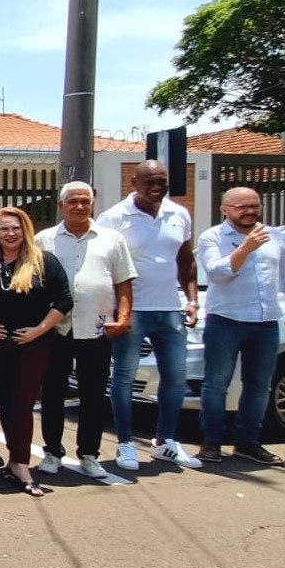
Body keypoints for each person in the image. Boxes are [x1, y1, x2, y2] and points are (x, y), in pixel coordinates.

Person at [96, 160, 203, 470]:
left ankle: (165, 441)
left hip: (170, 308)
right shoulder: (114, 217)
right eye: (149, 182)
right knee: (124, 378)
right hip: (132, 311)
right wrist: (115, 311)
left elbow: (186, 261)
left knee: (175, 377)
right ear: (134, 182)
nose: (156, 187)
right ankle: (125, 444)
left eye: (161, 181)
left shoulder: (179, 214)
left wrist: (192, 300)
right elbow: (104, 265)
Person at [196, 187, 285, 465]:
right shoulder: (212, 237)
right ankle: (211, 442)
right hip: (226, 321)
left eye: (254, 206)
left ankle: (248, 443)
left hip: (265, 322)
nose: (250, 211)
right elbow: (217, 274)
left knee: (260, 386)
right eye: (242, 207)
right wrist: (246, 247)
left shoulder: (274, 235)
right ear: (225, 210)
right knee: (216, 384)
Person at [35, 182, 136, 479]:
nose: (79, 206)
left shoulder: (112, 239)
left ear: (93, 205)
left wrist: (124, 318)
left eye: (85, 201)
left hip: (96, 327)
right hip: (57, 329)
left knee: (93, 394)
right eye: (73, 201)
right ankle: (52, 452)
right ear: (61, 206)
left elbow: (123, 282)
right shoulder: (44, 240)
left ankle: (89, 454)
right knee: (52, 393)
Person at [0, 207, 72, 497]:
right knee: (5, 402)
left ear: (25, 230)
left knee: (22, 403)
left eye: (16, 228)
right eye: (4, 229)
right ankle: (13, 458)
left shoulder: (43, 261)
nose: (11, 233)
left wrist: (38, 330)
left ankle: (21, 463)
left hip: (32, 344)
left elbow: (65, 300)